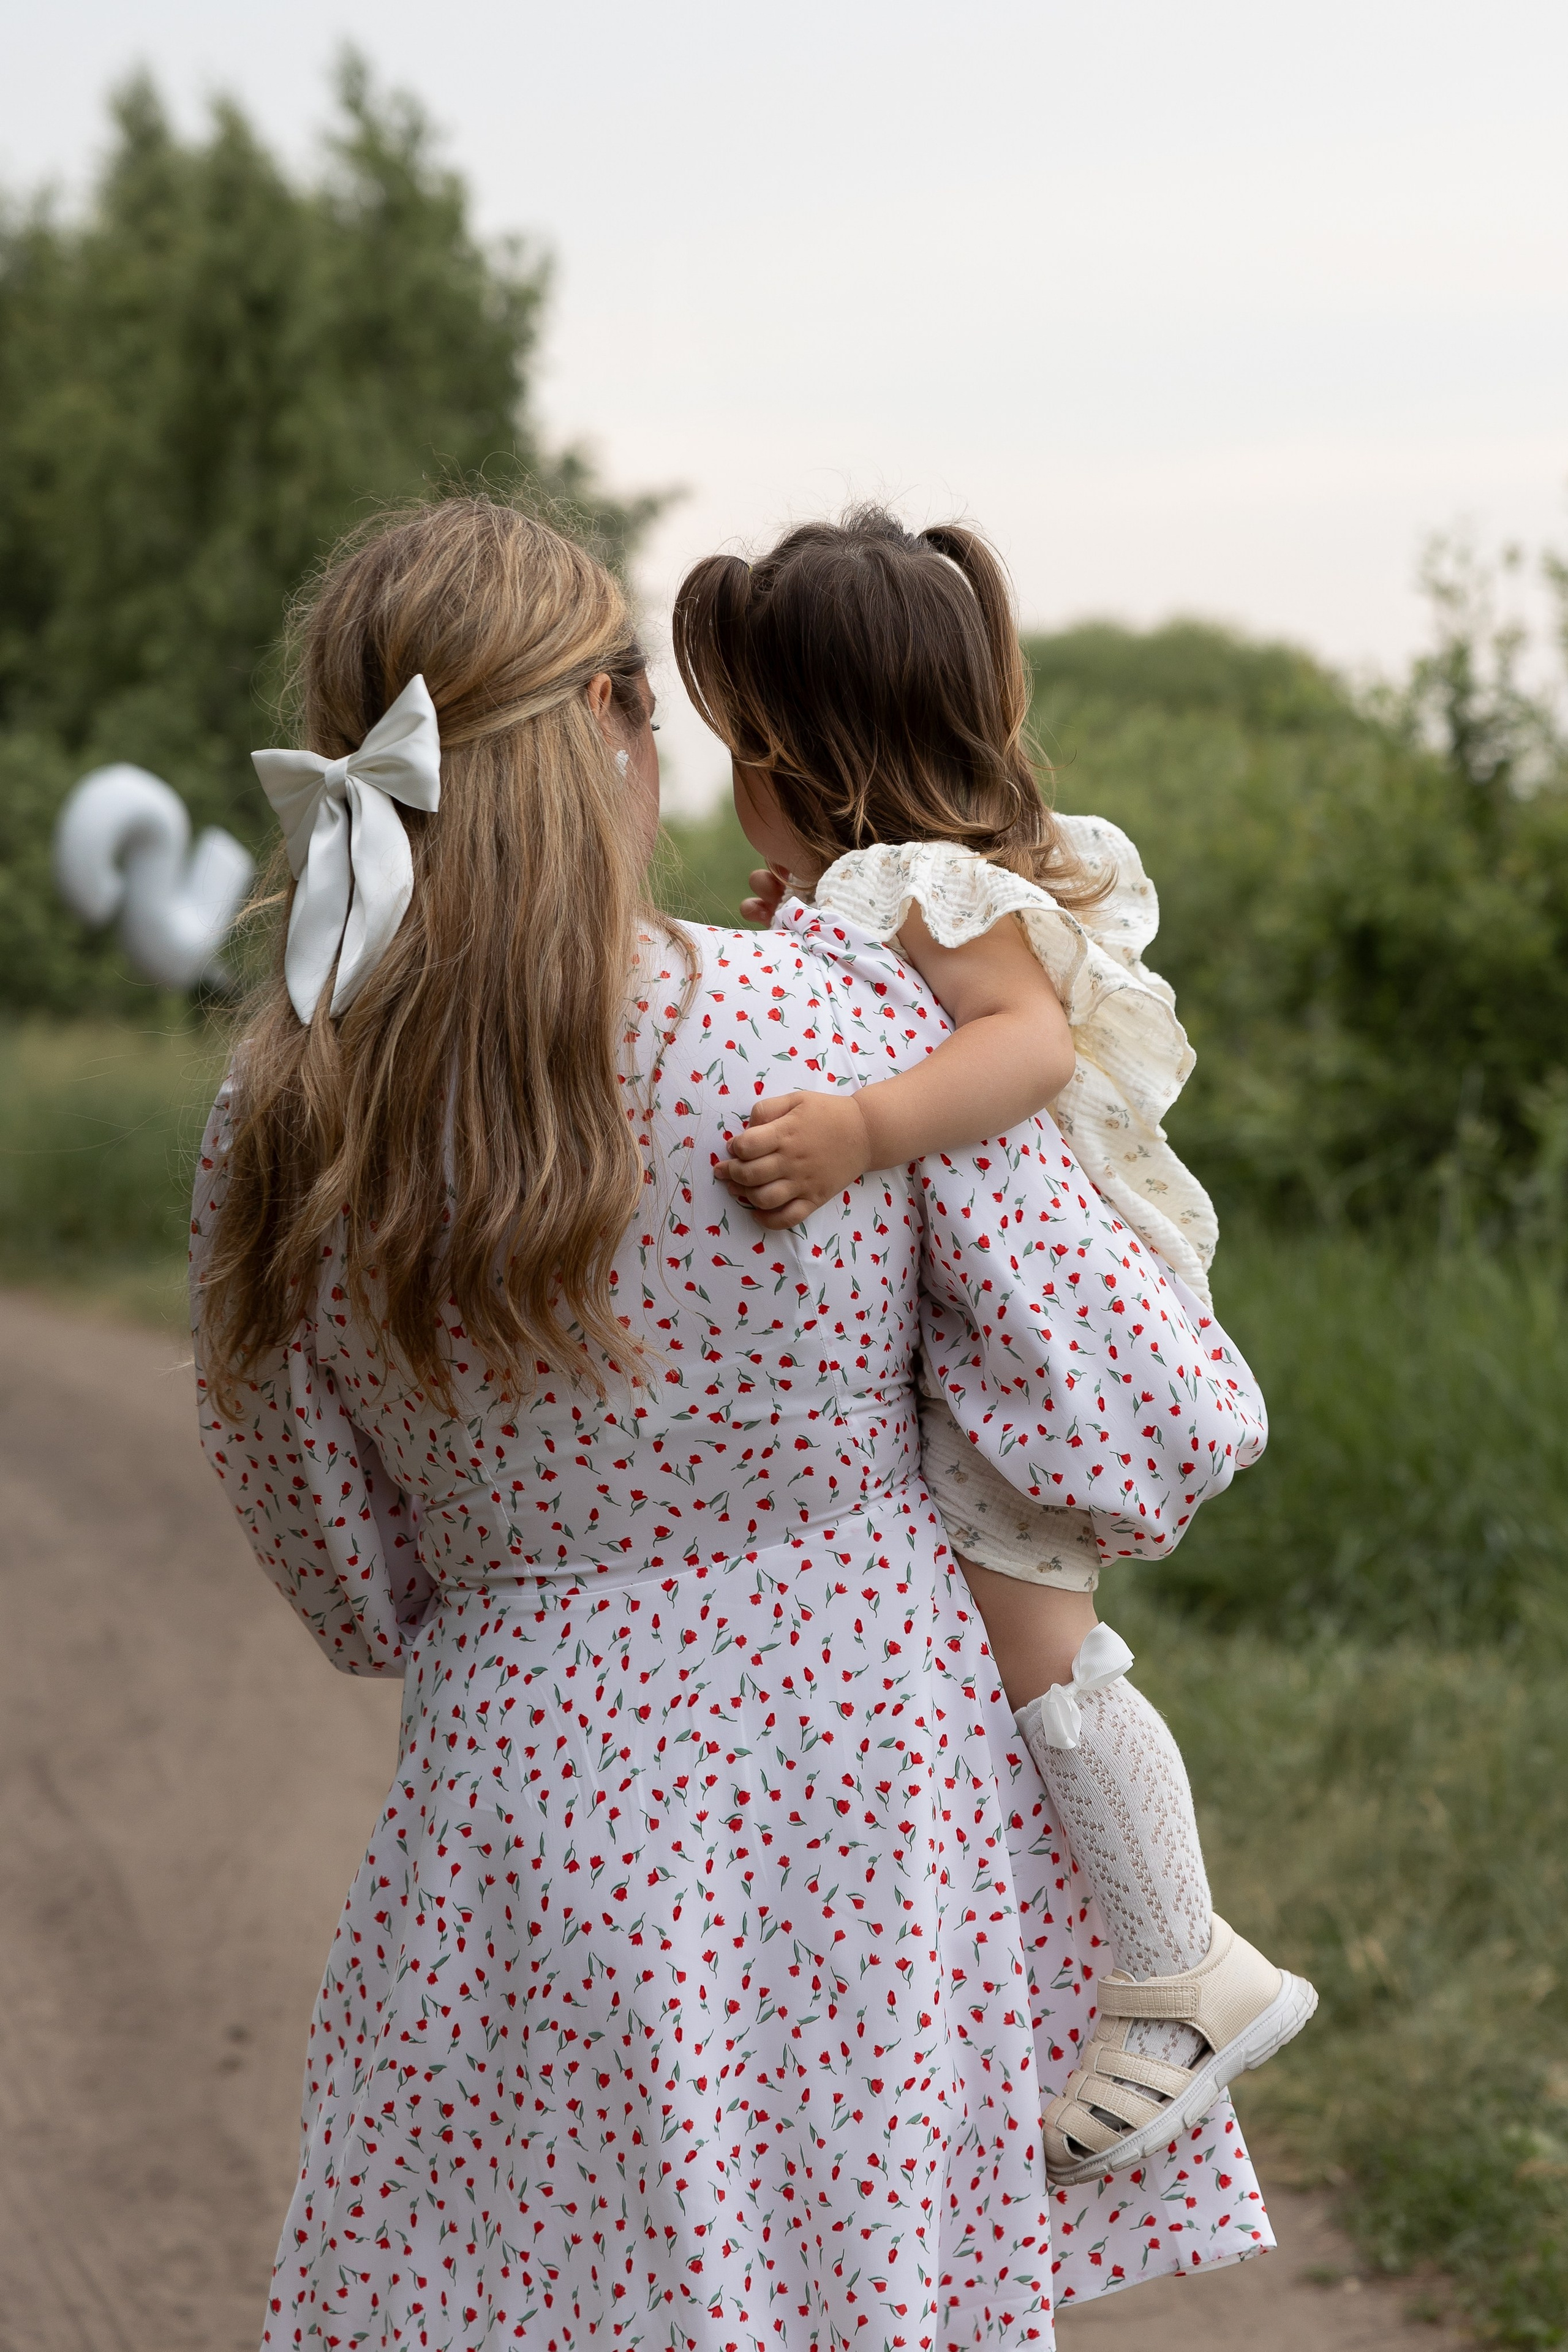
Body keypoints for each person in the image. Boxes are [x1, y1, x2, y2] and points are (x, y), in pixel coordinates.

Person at [192, 494, 1278, 2351]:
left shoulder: (286, 1110)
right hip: (865, 1798)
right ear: (620, 724)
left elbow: (348, 1584)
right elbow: (1137, 1421)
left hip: (519, 1816)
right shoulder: (844, 1021)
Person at [674, 508, 1315, 2186]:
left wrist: (863, 1129)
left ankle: (1184, 1968)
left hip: (1038, 1335)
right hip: (1020, 1310)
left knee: (1047, 1652)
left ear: (803, 757)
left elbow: (1021, 1047)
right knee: (1029, 1645)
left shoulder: (920, 893)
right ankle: (1150, 1954)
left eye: (739, 741)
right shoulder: (905, 889)